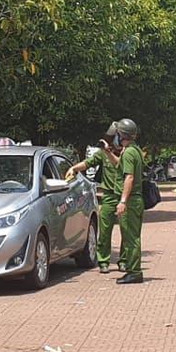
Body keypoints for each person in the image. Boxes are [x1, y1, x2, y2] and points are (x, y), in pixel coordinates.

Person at [66, 123, 123, 274]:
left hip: (125, 196)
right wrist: (74, 168)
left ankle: (124, 261)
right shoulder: (102, 154)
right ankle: (103, 260)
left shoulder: (128, 153)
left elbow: (120, 165)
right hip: (109, 196)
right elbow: (87, 163)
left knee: (127, 231)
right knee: (104, 231)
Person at [114, 118, 145, 285]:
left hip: (131, 201)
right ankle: (133, 270)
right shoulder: (134, 151)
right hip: (136, 200)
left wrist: (123, 201)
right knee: (132, 236)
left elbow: (129, 177)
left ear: (122, 134)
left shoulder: (129, 153)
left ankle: (134, 271)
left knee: (130, 237)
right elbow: (121, 166)